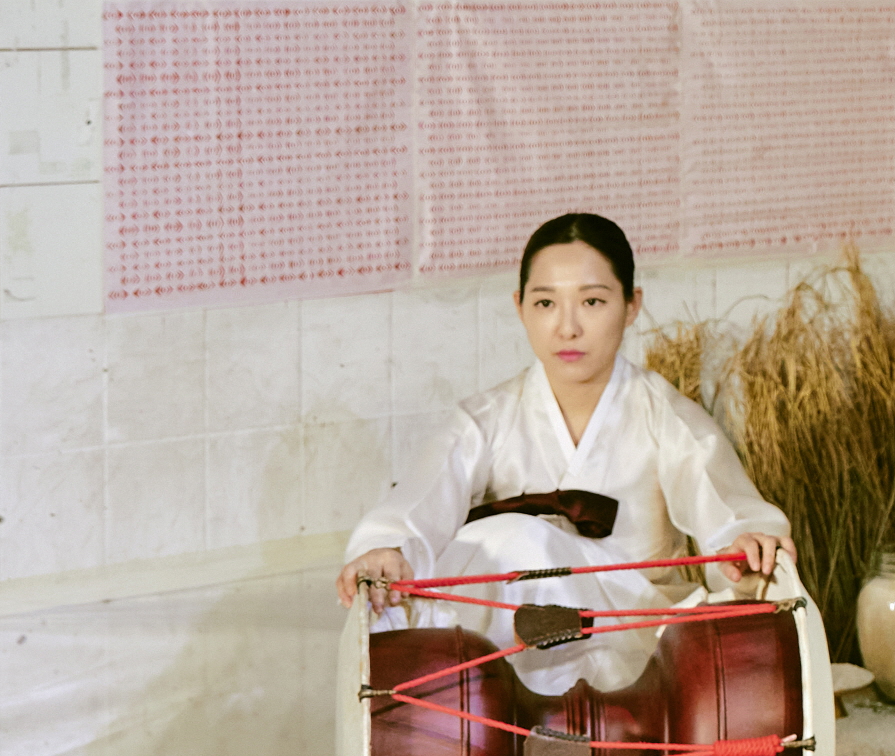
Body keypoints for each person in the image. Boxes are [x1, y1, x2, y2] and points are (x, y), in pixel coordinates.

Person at [337, 212, 789, 696]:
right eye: (546, 302)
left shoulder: (667, 419)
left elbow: (729, 513)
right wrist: (388, 551)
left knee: (521, 539)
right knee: (464, 561)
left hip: (631, 642)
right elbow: (415, 506)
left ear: (631, 305)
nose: (567, 328)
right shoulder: (484, 420)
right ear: (520, 307)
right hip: (506, 646)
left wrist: (745, 545)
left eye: (592, 301)